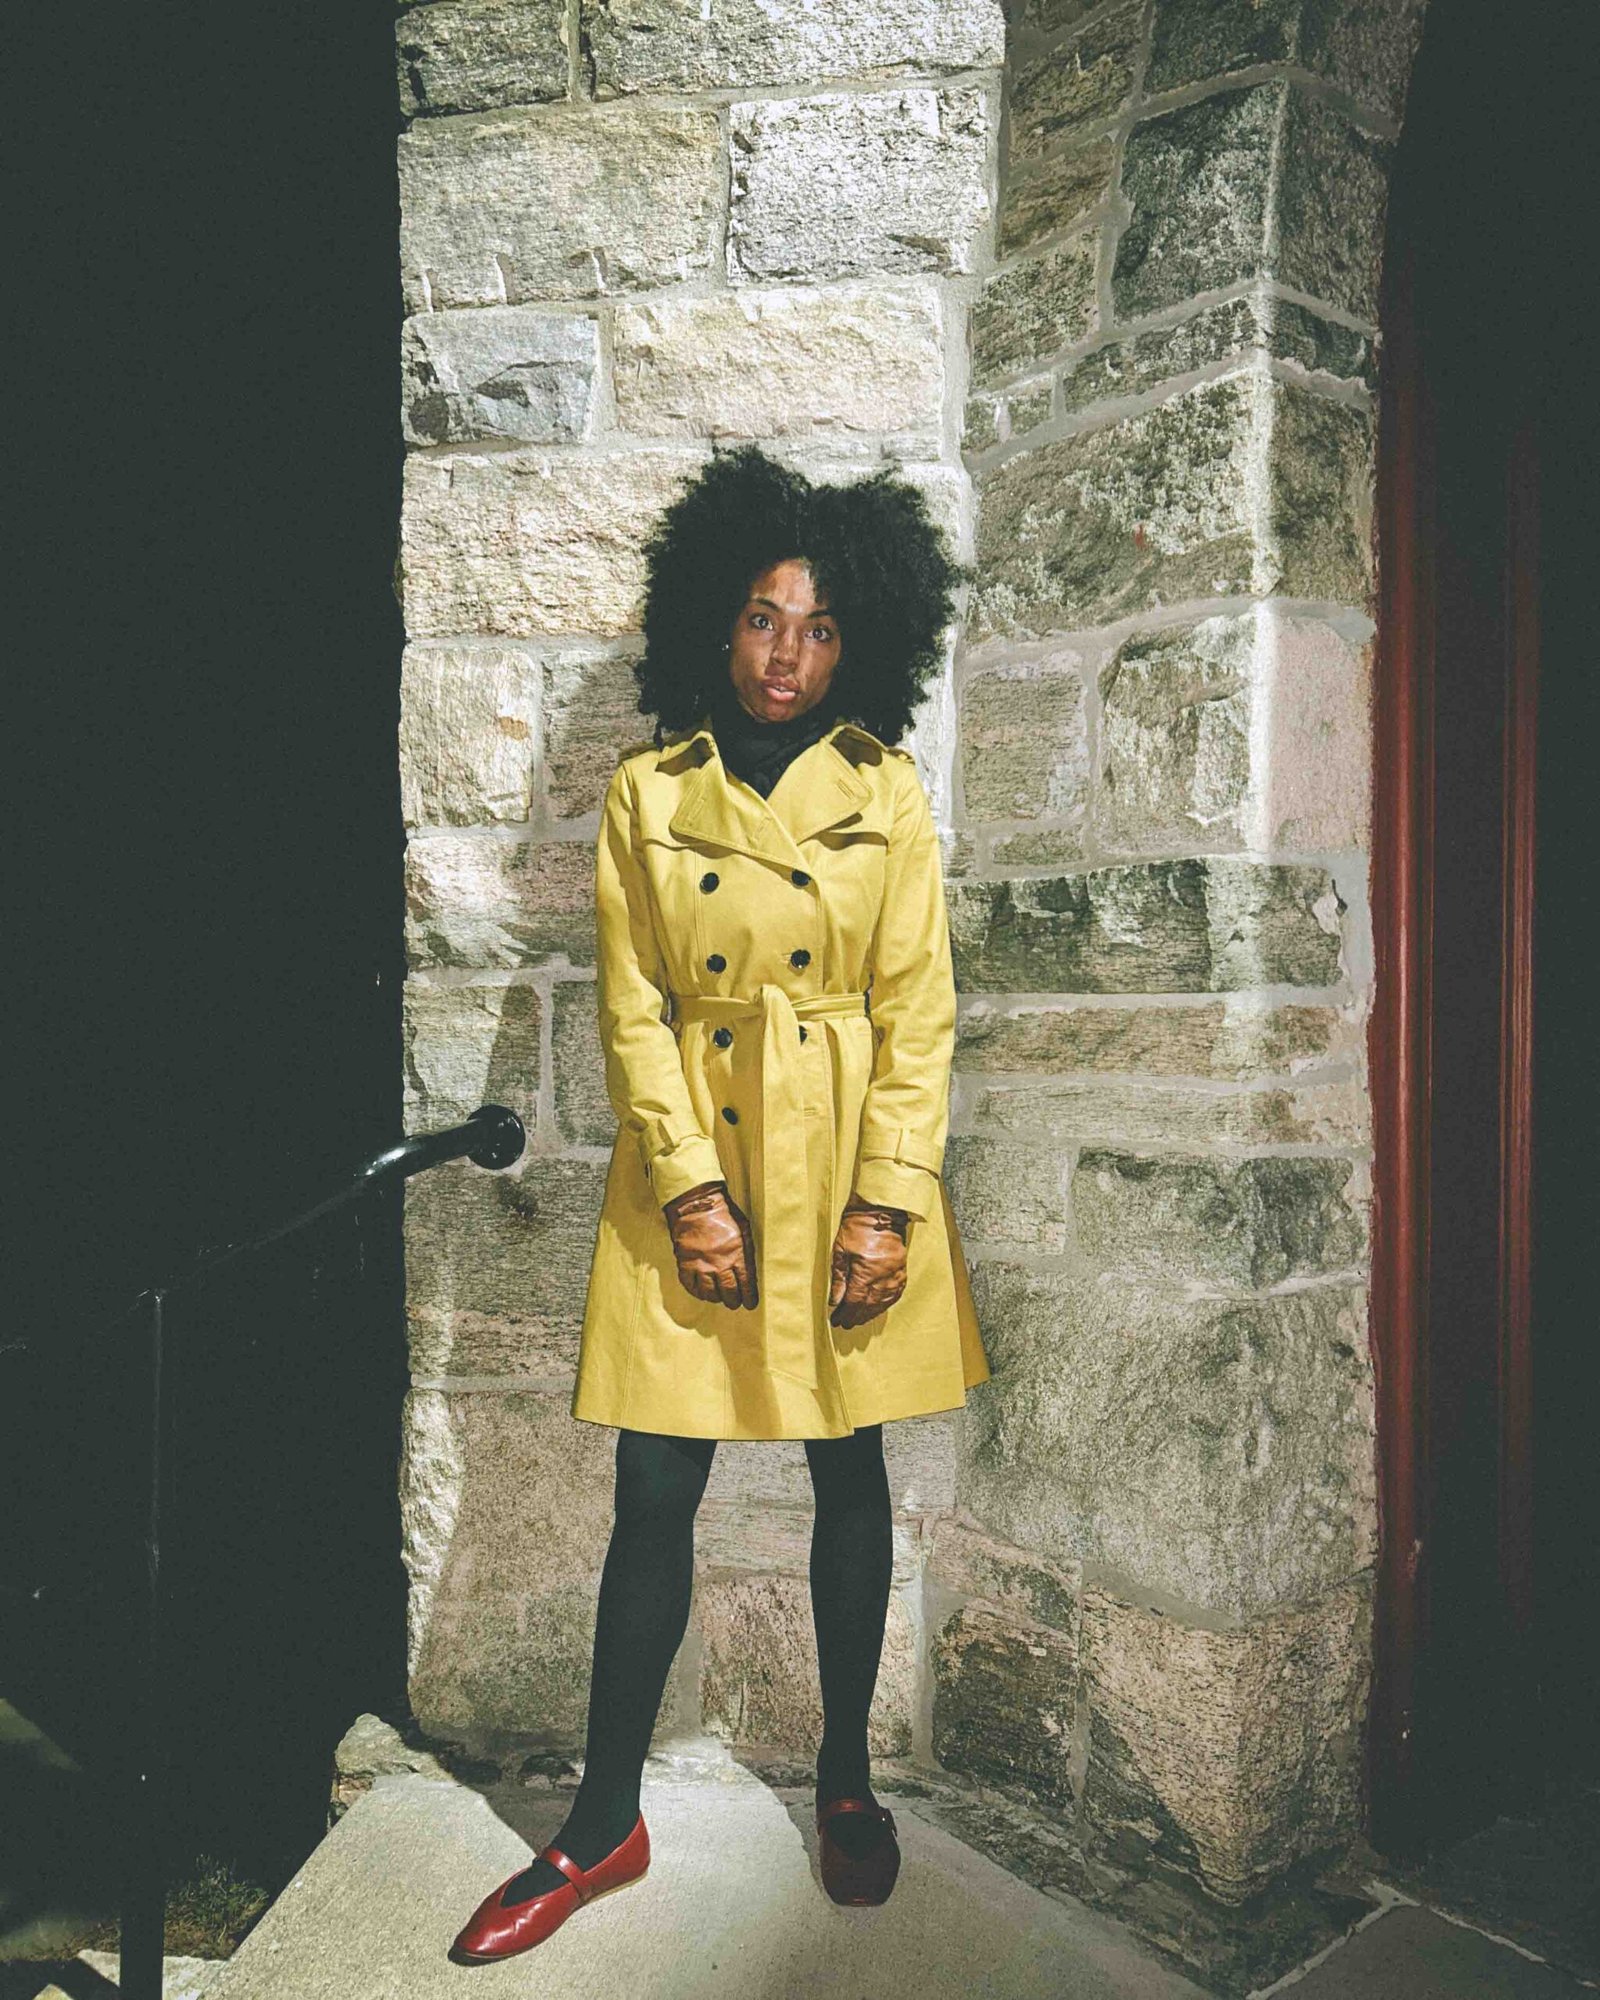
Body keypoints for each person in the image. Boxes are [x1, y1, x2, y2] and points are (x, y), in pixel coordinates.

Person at [452, 446, 991, 1965]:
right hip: (694, 1171)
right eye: (764, 619)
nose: (788, 658)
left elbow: (919, 1013)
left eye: (821, 630)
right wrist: (689, 1187)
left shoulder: (886, 794)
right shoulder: (647, 792)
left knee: (847, 1476)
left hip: (840, 1181)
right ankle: (600, 1819)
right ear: (715, 616)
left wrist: (887, 1206)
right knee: (653, 1499)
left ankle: (842, 1784)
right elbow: (631, 1011)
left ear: (862, 640)